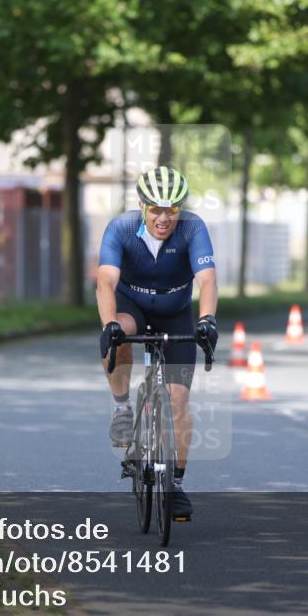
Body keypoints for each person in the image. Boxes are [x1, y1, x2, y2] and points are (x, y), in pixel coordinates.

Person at [96, 166, 218, 521]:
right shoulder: (120, 229)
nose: (164, 217)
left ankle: (175, 484)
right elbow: (106, 281)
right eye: (156, 209)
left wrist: (208, 320)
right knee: (121, 334)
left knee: (179, 398)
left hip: (175, 310)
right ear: (142, 205)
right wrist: (109, 324)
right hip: (130, 305)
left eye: (172, 209)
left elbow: (207, 280)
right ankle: (121, 407)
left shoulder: (193, 228)